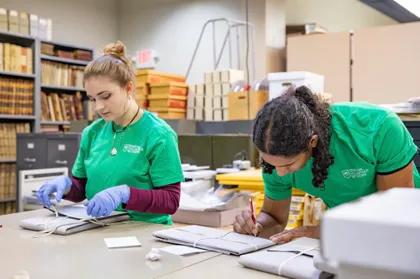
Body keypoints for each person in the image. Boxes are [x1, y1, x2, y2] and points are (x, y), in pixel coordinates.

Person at [233, 85, 420, 242]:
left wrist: (323, 232)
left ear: (312, 142)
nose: (280, 173)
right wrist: (257, 226)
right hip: (350, 233)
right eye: (271, 164)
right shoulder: (275, 161)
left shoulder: (380, 129)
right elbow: (274, 219)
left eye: (289, 165)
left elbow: (395, 221)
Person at [37, 41, 184, 224]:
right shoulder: (92, 133)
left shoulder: (158, 135)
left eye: (106, 96)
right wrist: (66, 186)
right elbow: (81, 189)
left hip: (145, 232)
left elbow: (170, 201)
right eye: (92, 99)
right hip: (99, 227)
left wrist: (126, 194)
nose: (99, 107)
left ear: (128, 88)